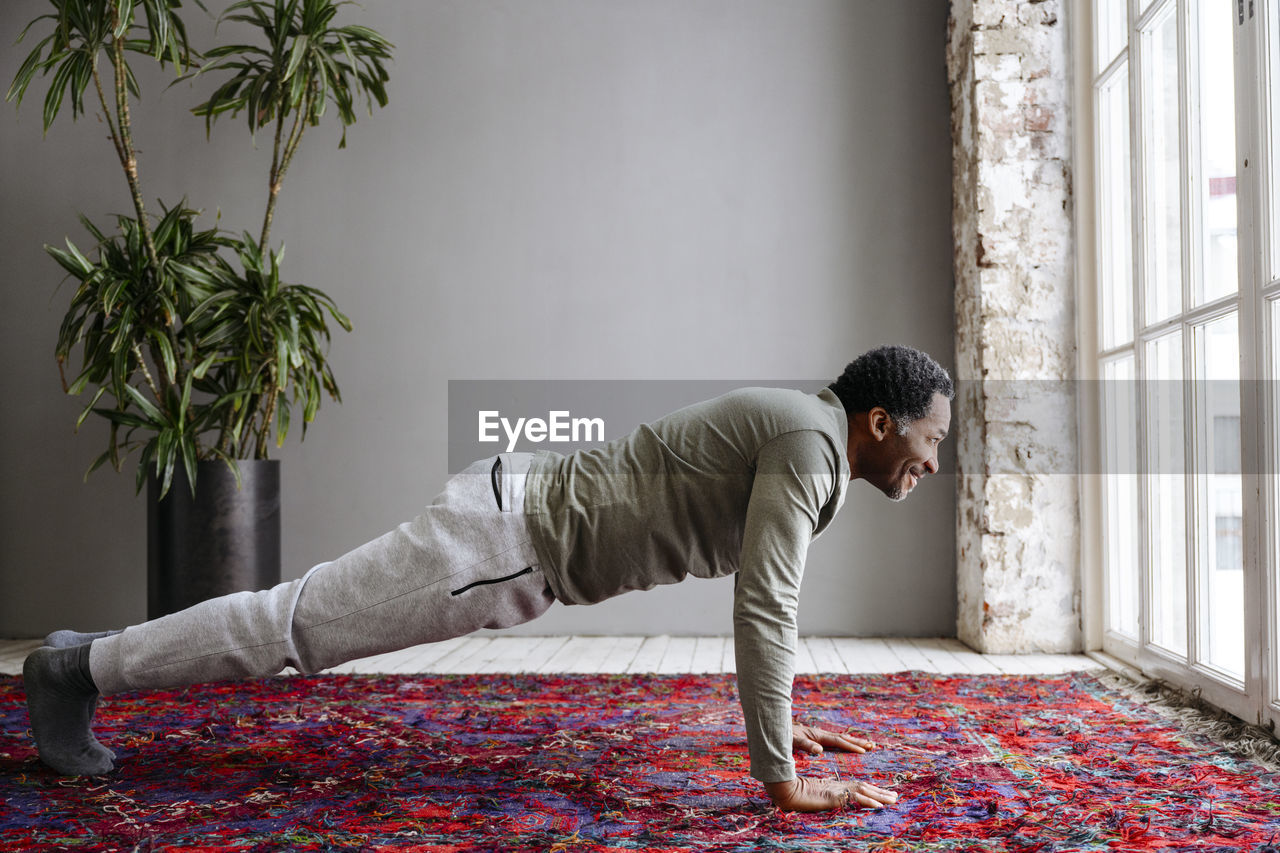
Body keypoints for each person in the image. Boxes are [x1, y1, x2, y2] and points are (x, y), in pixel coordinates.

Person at [24, 344, 953, 813]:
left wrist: (783, 722)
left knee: (289, 624)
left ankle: (82, 660)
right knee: (289, 630)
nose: (934, 460)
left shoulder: (812, 434)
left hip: (518, 523)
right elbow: (768, 601)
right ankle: (75, 672)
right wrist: (778, 772)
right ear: (879, 419)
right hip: (503, 544)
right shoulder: (809, 444)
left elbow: (764, 593)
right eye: (932, 439)